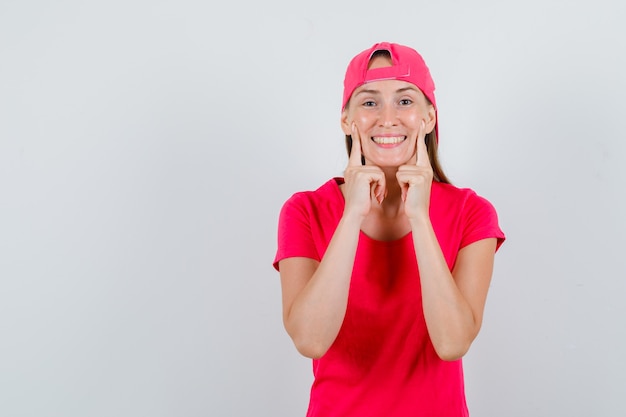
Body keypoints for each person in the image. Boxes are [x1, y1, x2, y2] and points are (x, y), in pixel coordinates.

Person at [273, 42, 505, 417]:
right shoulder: (304, 211)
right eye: (368, 102)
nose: (387, 118)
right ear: (347, 120)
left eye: (405, 101)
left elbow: (452, 342)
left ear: (429, 117)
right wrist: (351, 217)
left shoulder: (471, 212)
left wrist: (420, 217)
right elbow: (310, 339)